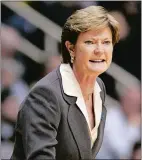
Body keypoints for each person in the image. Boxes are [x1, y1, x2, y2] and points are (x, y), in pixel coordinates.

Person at [11, 5, 119, 160]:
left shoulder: (98, 87)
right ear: (71, 48)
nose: (100, 50)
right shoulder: (45, 95)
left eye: (106, 42)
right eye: (90, 42)